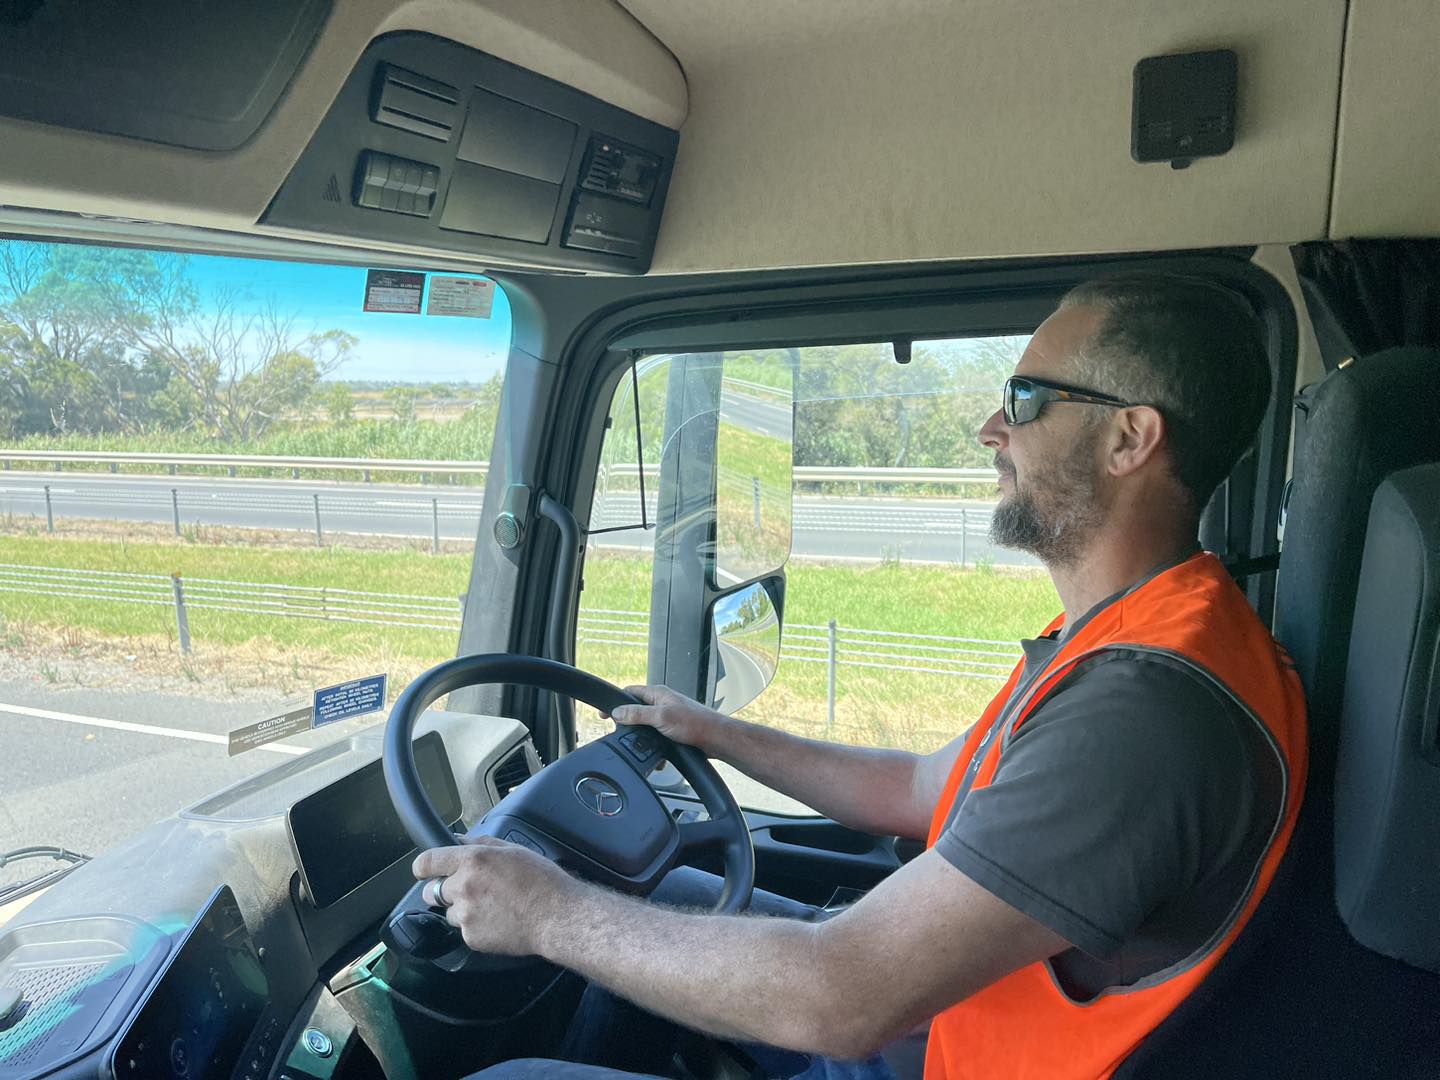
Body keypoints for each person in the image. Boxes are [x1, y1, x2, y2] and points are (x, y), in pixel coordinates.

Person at [413, 275, 1308, 1080]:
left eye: (1025, 398)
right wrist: (714, 730)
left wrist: (550, 916)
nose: (992, 429)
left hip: (915, 1044)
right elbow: (924, 787)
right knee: (650, 894)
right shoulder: (1137, 632)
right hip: (936, 1020)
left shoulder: (1141, 715)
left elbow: (838, 1000)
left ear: (1129, 439)